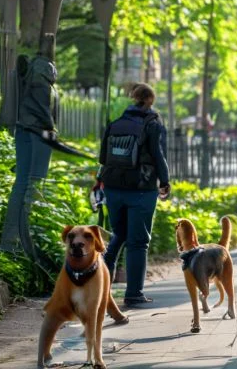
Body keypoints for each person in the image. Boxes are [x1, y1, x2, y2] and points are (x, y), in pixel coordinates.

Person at [96, 83, 170, 307]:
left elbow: (102, 158)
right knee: (138, 242)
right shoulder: (153, 124)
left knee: (119, 234)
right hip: (141, 188)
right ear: (151, 100)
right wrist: (165, 181)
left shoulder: (115, 123)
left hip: (113, 187)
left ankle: (101, 290)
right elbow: (158, 156)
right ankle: (133, 293)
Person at [0, 37, 59, 268]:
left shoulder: (28, 73)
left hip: (24, 130)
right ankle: (21, 245)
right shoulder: (41, 74)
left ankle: (11, 244)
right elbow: (41, 107)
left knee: (23, 185)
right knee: (30, 187)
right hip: (38, 134)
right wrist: (50, 128)